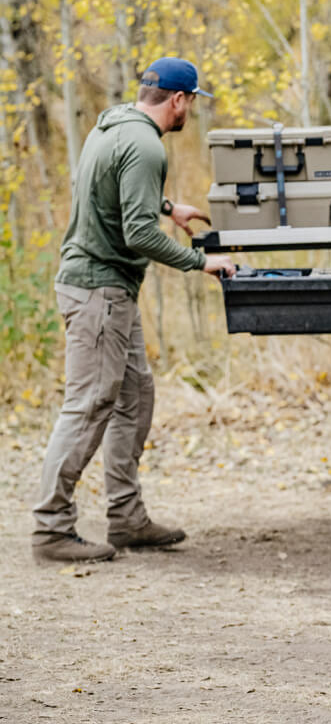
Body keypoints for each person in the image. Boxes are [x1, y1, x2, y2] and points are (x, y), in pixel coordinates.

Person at [31, 57, 235, 563]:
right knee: (89, 405)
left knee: (134, 395)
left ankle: (126, 517)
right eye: (192, 102)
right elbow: (136, 234)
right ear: (179, 100)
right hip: (98, 289)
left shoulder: (115, 123)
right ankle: (51, 528)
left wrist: (169, 208)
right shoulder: (146, 145)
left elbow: (112, 189)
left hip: (109, 288)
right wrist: (200, 262)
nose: (191, 112)